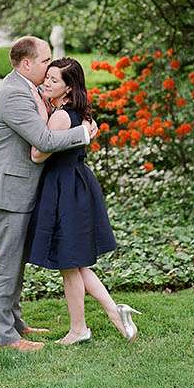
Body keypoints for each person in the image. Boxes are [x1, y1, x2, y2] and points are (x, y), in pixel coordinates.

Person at [0, 36, 98, 352]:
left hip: (19, 190)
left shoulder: (27, 88)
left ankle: (16, 324)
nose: (49, 68)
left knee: (14, 264)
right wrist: (83, 133)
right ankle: (5, 338)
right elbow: (43, 140)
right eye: (45, 61)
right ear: (27, 63)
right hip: (7, 193)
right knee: (4, 267)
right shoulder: (14, 94)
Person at [26, 58, 140, 345]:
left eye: (54, 80)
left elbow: (37, 154)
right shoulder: (80, 113)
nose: (47, 83)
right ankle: (116, 312)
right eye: (47, 78)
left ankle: (79, 329)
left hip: (63, 187)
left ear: (68, 88)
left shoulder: (61, 116)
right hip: (77, 183)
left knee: (69, 263)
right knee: (76, 264)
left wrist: (44, 119)